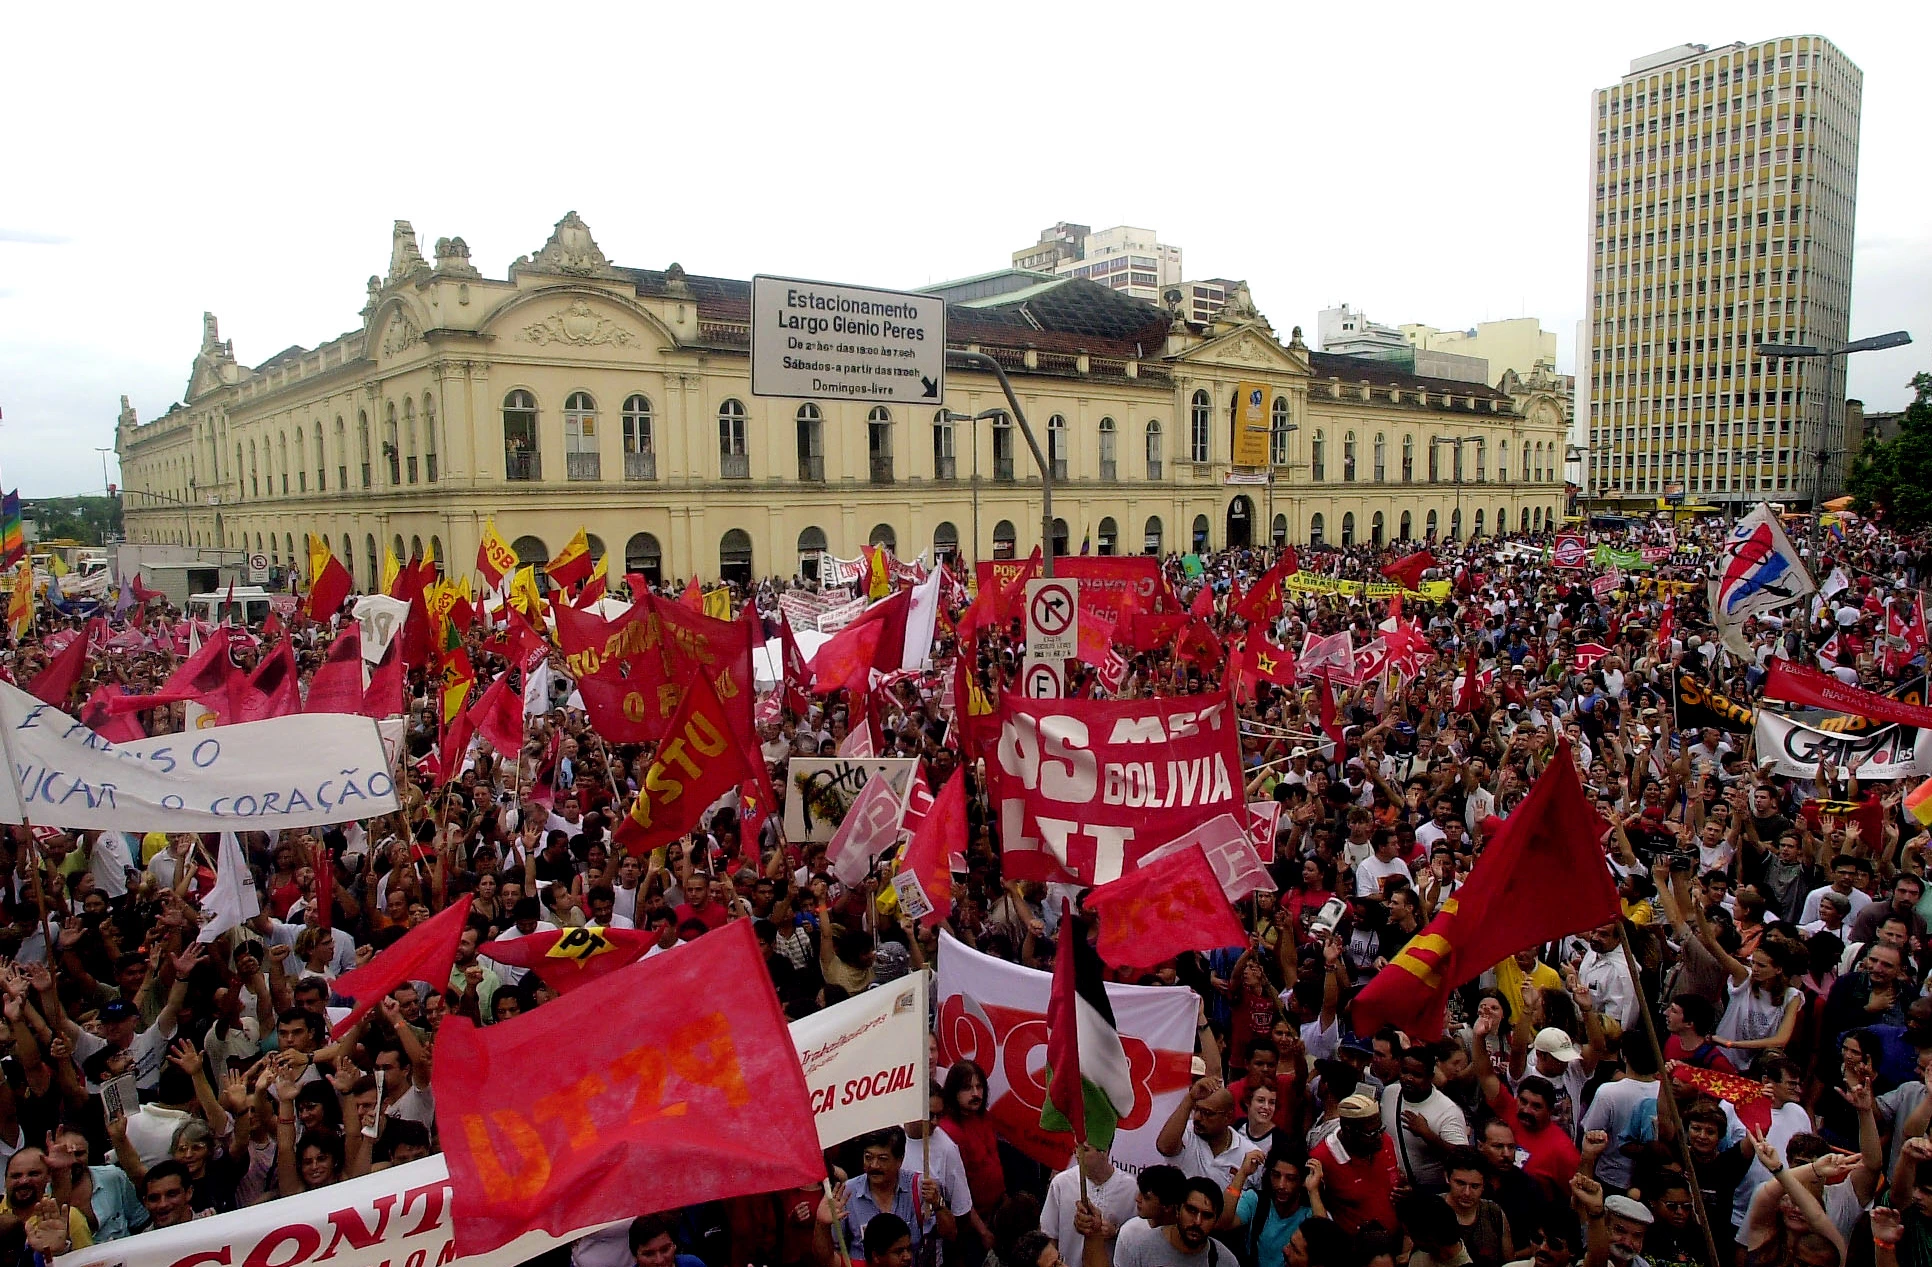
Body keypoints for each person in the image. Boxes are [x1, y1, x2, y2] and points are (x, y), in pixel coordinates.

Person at [1379, 1042, 1470, 1191]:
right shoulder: (1390, 1093)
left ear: (1430, 1077)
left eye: (1417, 1075)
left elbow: (1463, 1160)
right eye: (1405, 1071)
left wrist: (1427, 1134)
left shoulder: (1448, 1111)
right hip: (1393, 1188)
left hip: (1431, 1194)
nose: (1408, 1078)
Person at [1306, 1093, 1399, 1235]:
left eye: (1381, 1129)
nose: (1380, 1138)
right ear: (1348, 1130)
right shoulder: (1322, 1159)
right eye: (1372, 1133)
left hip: (1393, 1243)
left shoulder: (1385, 1142)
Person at [1103, 1177, 1236, 1267]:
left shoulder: (1225, 1261)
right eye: (1191, 1210)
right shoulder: (1138, 1248)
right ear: (1178, 1209)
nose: (1197, 1222)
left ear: (1216, 1220)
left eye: (1207, 1216)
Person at [1218, 1142, 1314, 1267]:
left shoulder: (1309, 1212)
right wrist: (1242, 1173)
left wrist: (1314, 1191)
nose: (1281, 1185)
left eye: (1290, 1178)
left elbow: (1325, 1245)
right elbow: (1223, 1223)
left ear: (1302, 1180)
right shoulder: (1256, 1201)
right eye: (1276, 1175)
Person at [1041, 1144, 1136, 1267]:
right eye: (1076, 1147)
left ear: (1104, 1151)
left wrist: (1115, 1234)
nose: (1077, 1154)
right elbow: (1049, 1235)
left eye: (1085, 1150)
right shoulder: (1061, 1183)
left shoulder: (1131, 1188)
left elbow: (1137, 1243)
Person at [1156, 1077, 1247, 1190]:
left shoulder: (1247, 1153)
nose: (1198, 1117)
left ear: (1228, 1117)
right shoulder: (1185, 1131)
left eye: (1207, 1113)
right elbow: (1164, 1147)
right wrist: (1190, 1098)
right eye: (1197, 1110)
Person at [1441, 1147, 1513, 1267]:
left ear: (1484, 1185)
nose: (1467, 1193)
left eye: (1475, 1186)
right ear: (1447, 1178)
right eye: (1460, 1183)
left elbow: (1509, 1263)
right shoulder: (1429, 1210)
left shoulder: (1494, 1212)